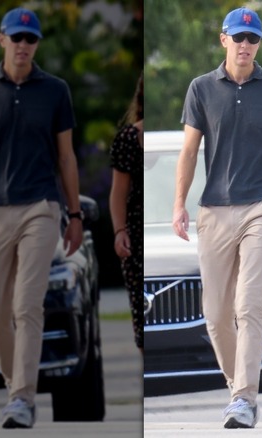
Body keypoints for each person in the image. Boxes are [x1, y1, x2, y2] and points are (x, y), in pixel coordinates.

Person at [172, 6, 262, 429]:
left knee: (249, 304)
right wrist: (178, 205)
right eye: (239, 37)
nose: (246, 45)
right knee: (215, 314)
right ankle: (239, 390)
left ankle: (245, 399)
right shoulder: (200, 88)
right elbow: (190, 151)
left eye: (253, 39)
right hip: (214, 210)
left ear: (259, 43)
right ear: (223, 39)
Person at [0, 7, 82, 429]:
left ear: (37, 44)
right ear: (2, 40)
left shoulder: (56, 91)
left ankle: (23, 399)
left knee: (27, 305)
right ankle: (18, 387)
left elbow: (66, 156)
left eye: (31, 38)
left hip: (40, 208)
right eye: (17, 37)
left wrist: (75, 213)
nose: (24, 45)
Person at [109, 71, 144, 352]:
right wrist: (119, 230)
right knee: (141, 317)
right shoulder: (128, 139)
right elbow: (118, 193)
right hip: (136, 236)